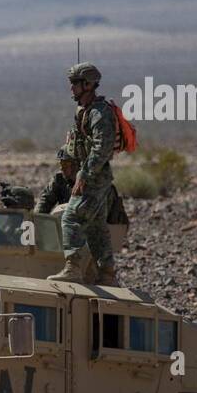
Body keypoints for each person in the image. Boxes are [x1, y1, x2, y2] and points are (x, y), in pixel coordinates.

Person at [48, 62, 118, 285]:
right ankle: (107, 275)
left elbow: (102, 148)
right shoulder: (85, 112)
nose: (71, 89)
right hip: (95, 178)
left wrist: (84, 174)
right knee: (97, 228)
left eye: (75, 84)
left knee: (71, 218)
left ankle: (73, 268)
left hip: (94, 179)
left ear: (87, 85)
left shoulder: (100, 113)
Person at [36, 146, 77, 214]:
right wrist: (37, 218)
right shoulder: (59, 179)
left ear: (76, 165)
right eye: (60, 164)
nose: (61, 168)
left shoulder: (91, 182)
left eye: (65, 164)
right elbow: (45, 200)